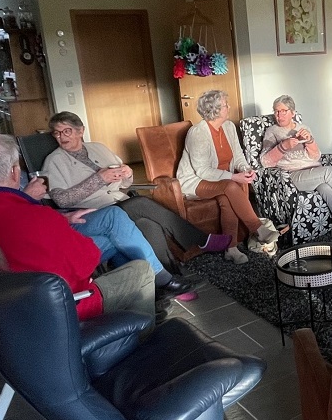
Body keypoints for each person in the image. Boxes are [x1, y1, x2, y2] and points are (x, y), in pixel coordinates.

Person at [0, 135, 157, 322]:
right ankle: (138, 337)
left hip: (0, 319)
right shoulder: (35, 217)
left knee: (115, 230)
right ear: (14, 173)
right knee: (140, 270)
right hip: (59, 313)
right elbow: (86, 264)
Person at [42, 112, 227, 294]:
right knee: (140, 203)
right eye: (57, 133)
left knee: (147, 223)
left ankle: (172, 279)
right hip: (96, 212)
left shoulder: (98, 148)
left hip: (119, 202)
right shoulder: (54, 161)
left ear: (80, 131)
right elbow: (61, 200)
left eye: (67, 131)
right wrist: (99, 179)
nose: (61, 137)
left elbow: (124, 184)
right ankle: (199, 241)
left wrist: (127, 174)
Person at [176, 90, 280, 264]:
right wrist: (234, 177)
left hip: (221, 181)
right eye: (225, 105)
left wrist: (246, 169)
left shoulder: (229, 127)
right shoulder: (197, 133)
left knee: (227, 195)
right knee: (230, 186)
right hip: (196, 181)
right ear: (215, 110)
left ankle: (231, 249)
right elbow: (202, 171)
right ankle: (258, 229)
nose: (229, 107)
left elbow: (238, 155)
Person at [259, 95, 332, 255]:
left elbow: (316, 156)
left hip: (314, 172)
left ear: (292, 112)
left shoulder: (303, 128)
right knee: (329, 172)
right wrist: (283, 146)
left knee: (327, 189)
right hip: (293, 176)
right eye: (276, 111)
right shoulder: (272, 132)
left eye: (283, 111)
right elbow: (265, 161)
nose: (279, 115)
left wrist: (310, 141)